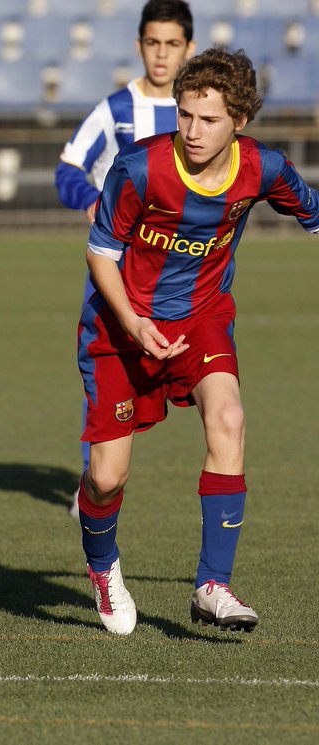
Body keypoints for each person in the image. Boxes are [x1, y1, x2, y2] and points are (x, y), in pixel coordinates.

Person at [76, 47, 319, 636]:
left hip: (204, 320)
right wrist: (134, 323)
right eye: (184, 115)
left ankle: (213, 584)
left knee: (229, 418)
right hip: (121, 328)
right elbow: (100, 253)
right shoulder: (139, 168)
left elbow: (313, 212)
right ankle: (104, 567)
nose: (191, 130)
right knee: (106, 478)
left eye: (208, 119)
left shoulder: (262, 168)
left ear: (240, 120)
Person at [57, 0, 196, 517]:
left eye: (173, 44)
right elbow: (68, 167)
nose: (162, 55)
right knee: (105, 365)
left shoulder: (199, 113)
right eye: (153, 44)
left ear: (189, 47)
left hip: (181, 271)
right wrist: (93, 202)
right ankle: (94, 477)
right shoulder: (116, 109)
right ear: (140, 46)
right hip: (115, 266)